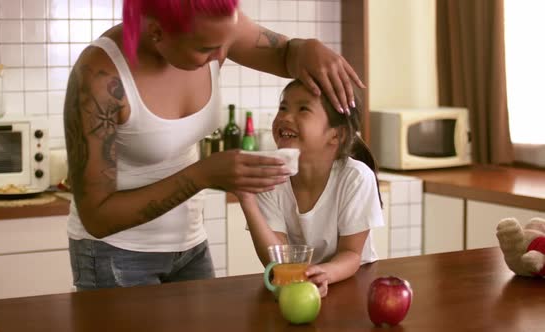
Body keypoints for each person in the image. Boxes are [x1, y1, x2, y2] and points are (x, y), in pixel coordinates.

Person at [63, 0, 366, 290]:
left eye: (226, 41)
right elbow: (97, 218)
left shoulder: (214, 31)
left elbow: (286, 53)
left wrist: (304, 48)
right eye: (207, 48)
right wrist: (203, 175)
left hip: (190, 246)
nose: (223, 54)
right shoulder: (100, 79)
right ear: (157, 33)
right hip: (115, 256)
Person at [235, 79, 384, 298]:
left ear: (336, 135)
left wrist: (324, 273)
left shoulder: (356, 178)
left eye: (303, 109)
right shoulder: (270, 177)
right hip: (297, 284)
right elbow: (277, 260)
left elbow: (351, 253)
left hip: (352, 281)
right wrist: (246, 198)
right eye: (283, 108)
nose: (285, 117)